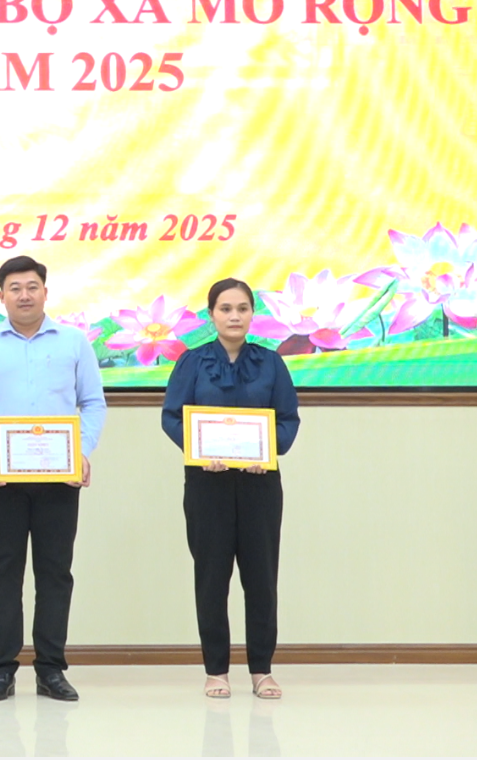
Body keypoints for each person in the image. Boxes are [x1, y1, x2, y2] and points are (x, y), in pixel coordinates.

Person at [0, 255, 106, 702]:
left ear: (45, 292)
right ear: (1, 295)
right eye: (15, 288)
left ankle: (51, 669)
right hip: (0, 479)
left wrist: (81, 452)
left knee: (55, 574)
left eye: (32, 286)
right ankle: (1, 670)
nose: (24, 295)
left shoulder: (74, 342)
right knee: (3, 573)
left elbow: (93, 402)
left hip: (59, 479)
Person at [162, 278, 300, 701]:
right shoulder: (191, 362)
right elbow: (171, 417)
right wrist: (198, 450)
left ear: (252, 314)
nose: (234, 316)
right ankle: (216, 670)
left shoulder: (271, 363)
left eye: (242, 308)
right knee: (212, 578)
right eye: (225, 309)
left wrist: (268, 451)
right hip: (207, 484)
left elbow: (287, 419)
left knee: (261, 579)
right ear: (211, 315)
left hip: (260, 484)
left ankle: (261, 670)